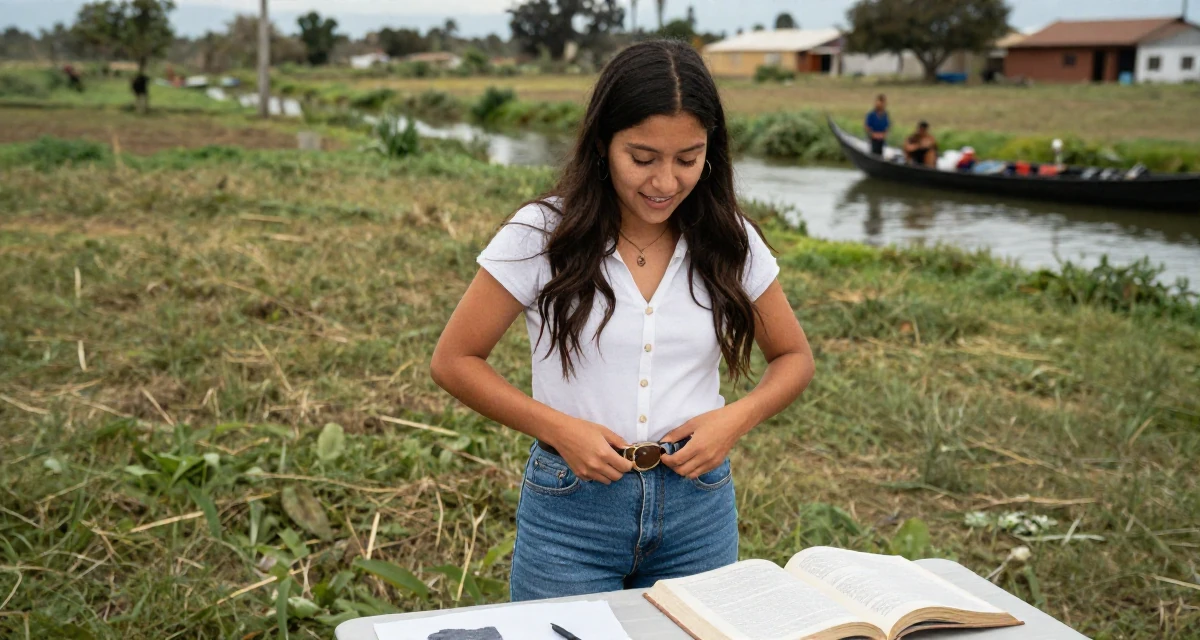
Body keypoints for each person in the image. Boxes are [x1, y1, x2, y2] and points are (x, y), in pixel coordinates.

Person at [430, 40, 814, 601]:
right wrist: (557, 428)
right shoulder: (542, 233)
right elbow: (454, 360)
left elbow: (794, 357)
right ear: (602, 145)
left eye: (688, 159)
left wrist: (733, 420)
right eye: (642, 158)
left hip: (698, 508)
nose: (665, 183)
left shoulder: (730, 239)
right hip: (572, 508)